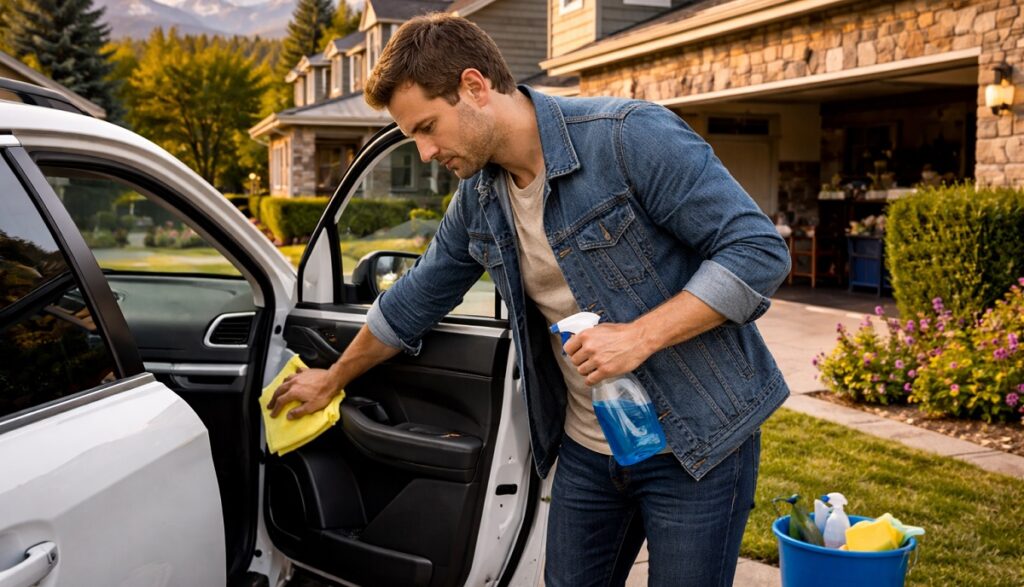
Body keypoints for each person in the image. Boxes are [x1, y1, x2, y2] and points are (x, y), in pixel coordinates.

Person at [268, 13, 792, 586]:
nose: (423, 152)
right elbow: (414, 298)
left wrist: (639, 335)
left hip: (700, 443)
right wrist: (332, 378)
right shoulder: (480, 198)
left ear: (474, 87)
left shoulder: (627, 136)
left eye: (427, 127)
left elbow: (757, 250)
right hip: (590, 449)